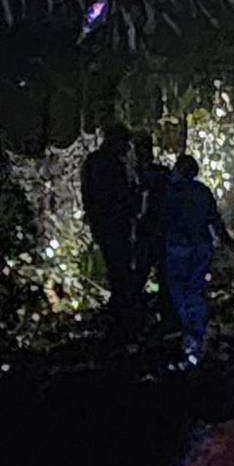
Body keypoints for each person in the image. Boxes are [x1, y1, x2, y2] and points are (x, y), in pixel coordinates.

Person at [162, 154, 234, 365]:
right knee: (195, 289)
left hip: (178, 248)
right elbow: (215, 219)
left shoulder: (171, 193)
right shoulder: (202, 191)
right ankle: (197, 333)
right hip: (201, 247)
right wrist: (226, 241)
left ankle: (190, 333)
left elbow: (162, 221)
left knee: (179, 291)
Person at [81, 124, 136, 339]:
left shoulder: (94, 162)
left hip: (105, 225)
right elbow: (120, 196)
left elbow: (87, 196)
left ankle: (119, 315)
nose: (127, 148)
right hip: (114, 224)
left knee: (117, 269)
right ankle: (121, 318)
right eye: (125, 144)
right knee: (120, 269)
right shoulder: (110, 164)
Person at [131, 132, 174, 326]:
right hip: (146, 231)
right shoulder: (132, 175)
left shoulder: (158, 174)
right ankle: (138, 315)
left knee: (158, 273)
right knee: (142, 274)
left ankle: (163, 314)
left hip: (155, 229)